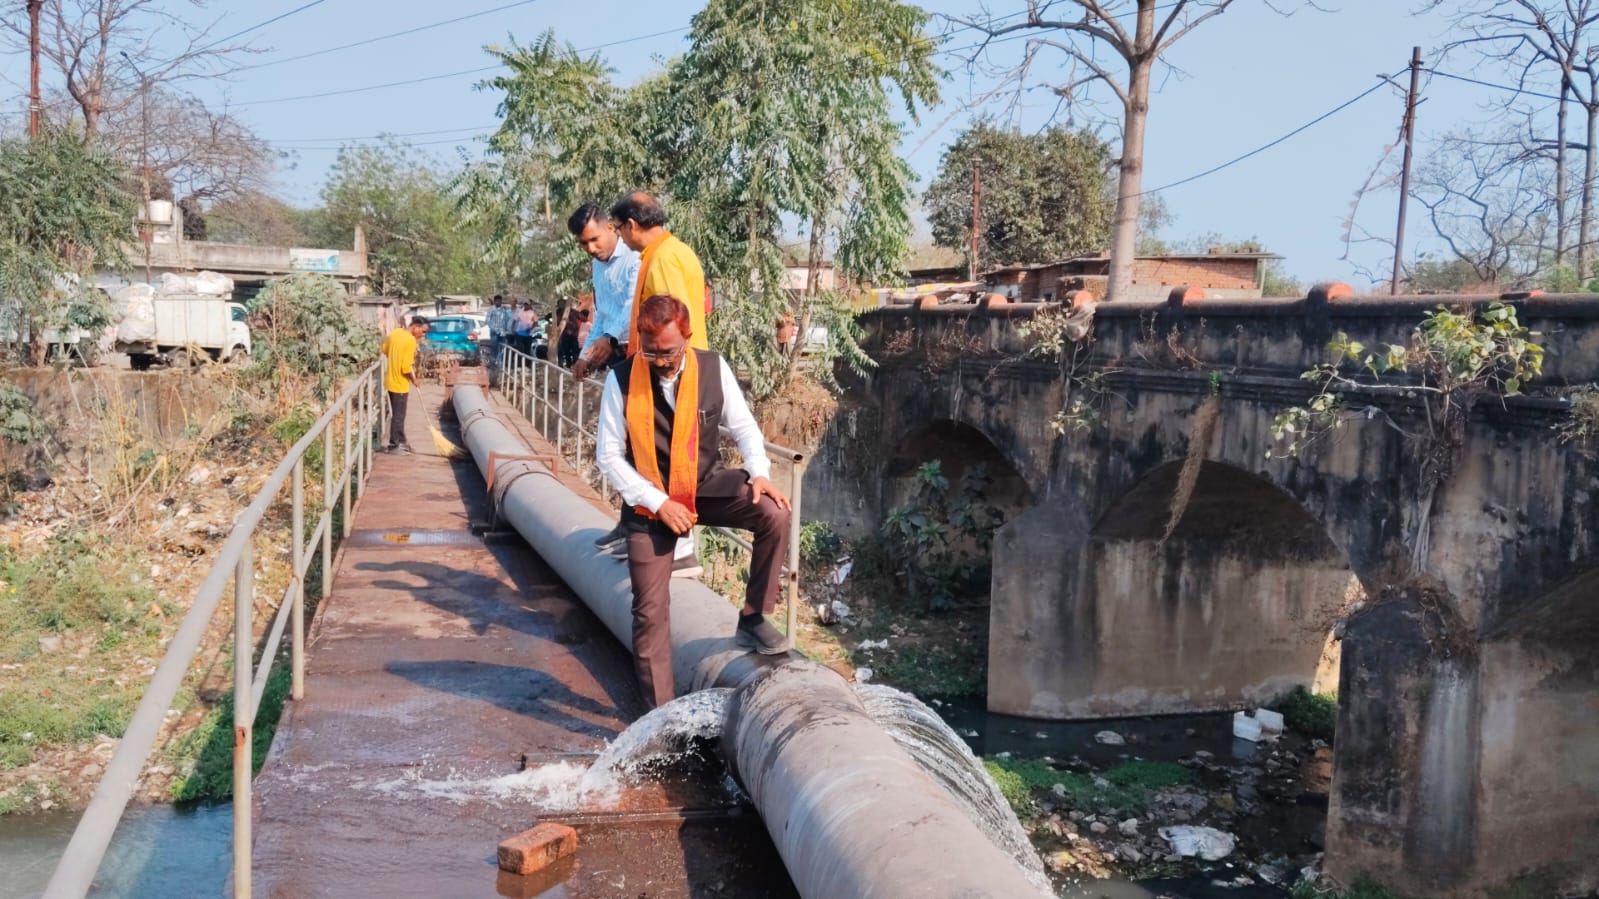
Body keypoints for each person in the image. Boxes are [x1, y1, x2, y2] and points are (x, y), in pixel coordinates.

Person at [596, 295, 792, 708]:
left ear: (686, 336)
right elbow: (609, 456)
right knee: (649, 613)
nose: (660, 360)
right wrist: (658, 501)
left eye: (668, 351)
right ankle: (662, 715)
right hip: (651, 502)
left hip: (704, 486)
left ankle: (754, 616)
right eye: (650, 351)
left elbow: (744, 428)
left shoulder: (712, 368)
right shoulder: (622, 378)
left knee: (773, 511)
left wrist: (759, 473)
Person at [610, 192, 709, 354]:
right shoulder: (677, 249)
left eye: (618, 229)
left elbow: (672, 326)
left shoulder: (662, 260)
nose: (620, 237)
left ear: (630, 225)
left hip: (673, 367)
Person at [568, 203, 640, 383]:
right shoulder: (597, 265)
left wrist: (610, 339)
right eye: (584, 243)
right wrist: (584, 355)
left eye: (594, 239)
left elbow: (633, 306)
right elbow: (602, 314)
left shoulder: (634, 256)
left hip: (638, 351)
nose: (590, 248)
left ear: (610, 228)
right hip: (615, 356)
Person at [380, 316, 428, 454]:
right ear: (415, 327)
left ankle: (401, 441)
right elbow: (406, 368)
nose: (423, 335)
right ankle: (394, 445)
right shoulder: (410, 340)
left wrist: (397, 354)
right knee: (399, 416)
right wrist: (414, 380)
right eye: (423, 331)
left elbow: (384, 349)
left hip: (389, 381)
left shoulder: (395, 333)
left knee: (397, 414)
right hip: (399, 384)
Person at [486, 294, 514, 365]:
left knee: (502, 348)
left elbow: (507, 319)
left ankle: (500, 363)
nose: (499, 302)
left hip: (502, 332)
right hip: (494, 332)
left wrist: (506, 329)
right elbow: (488, 320)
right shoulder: (491, 309)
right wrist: (493, 329)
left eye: (500, 301)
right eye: (497, 301)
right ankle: (493, 362)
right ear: (495, 301)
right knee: (494, 347)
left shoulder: (503, 310)